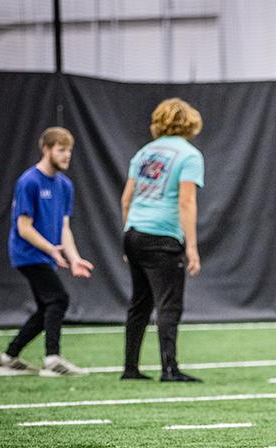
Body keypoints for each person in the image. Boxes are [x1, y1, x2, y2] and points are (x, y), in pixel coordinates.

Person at [0, 127, 93, 377]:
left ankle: (8, 357)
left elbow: (64, 228)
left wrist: (74, 258)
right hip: (27, 254)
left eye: (69, 150)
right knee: (59, 299)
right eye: (61, 150)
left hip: (47, 254)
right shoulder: (29, 181)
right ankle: (52, 360)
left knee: (46, 307)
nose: (66, 155)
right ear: (46, 150)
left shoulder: (65, 185)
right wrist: (51, 250)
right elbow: (23, 228)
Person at [120, 98, 204, 383]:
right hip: (162, 235)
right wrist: (191, 247)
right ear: (190, 123)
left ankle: (130, 368)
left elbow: (126, 199)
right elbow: (186, 202)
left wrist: (129, 233)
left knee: (140, 303)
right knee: (169, 304)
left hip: (134, 233)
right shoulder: (189, 155)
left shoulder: (143, 153)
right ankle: (170, 369)